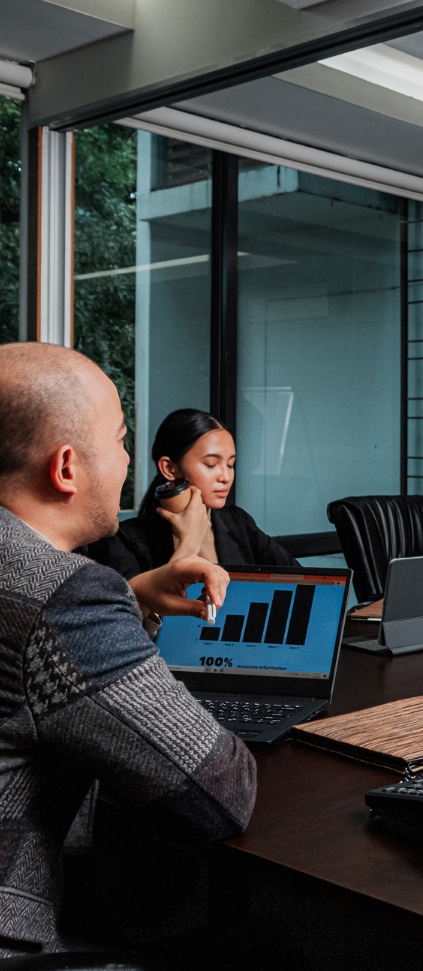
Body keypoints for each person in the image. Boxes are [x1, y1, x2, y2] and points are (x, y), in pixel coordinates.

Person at [0, 342, 256, 956]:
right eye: (119, 441)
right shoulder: (64, 595)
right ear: (66, 468)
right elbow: (222, 793)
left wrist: (133, 596)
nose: (127, 462)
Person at [87, 408, 298, 580]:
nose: (225, 476)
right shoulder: (123, 540)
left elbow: (301, 578)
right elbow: (131, 622)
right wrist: (188, 543)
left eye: (231, 464)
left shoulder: (238, 523)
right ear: (169, 468)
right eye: (211, 464)